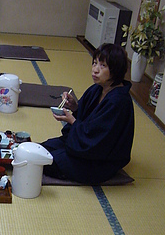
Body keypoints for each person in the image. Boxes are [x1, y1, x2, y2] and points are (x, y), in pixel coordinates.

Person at [41, 43, 134, 184]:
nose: (95, 70)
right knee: (42, 148)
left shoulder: (119, 101)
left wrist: (73, 121)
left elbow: (99, 139)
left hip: (98, 160)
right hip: (82, 146)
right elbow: (88, 120)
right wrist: (75, 107)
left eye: (103, 66)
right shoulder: (97, 89)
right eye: (95, 63)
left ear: (115, 70)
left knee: (47, 161)